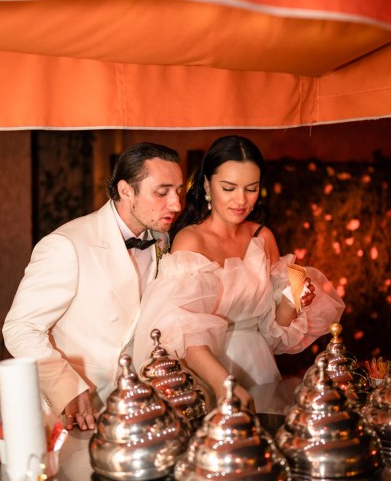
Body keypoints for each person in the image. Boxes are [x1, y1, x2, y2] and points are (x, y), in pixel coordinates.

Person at [133, 135, 345, 410]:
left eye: (251, 188)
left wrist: (292, 296)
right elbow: (182, 330)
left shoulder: (262, 236)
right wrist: (224, 385)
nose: (241, 200)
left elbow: (274, 331)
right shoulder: (190, 241)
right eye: (229, 188)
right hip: (210, 369)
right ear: (208, 185)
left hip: (259, 362)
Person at [3, 142, 183, 430]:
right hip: (76, 412)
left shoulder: (164, 241)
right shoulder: (66, 244)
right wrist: (68, 388)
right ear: (126, 190)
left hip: (139, 409)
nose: (176, 204)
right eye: (162, 193)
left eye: (178, 192)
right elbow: (20, 329)